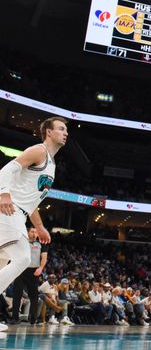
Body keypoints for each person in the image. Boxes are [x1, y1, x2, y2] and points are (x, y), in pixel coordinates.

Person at [0, 116, 65, 331]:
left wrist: (39, 226)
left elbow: (32, 202)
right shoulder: (39, 151)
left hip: (19, 212)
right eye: (61, 128)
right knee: (23, 257)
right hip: (8, 209)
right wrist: (4, 193)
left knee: (3, 263)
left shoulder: (52, 165)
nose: (66, 133)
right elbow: (6, 170)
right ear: (48, 131)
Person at [9, 227, 48, 325]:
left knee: (34, 296)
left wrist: (41, 268)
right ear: (27, 232)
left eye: (36, 232)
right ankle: (15, 318)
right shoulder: (22, 242)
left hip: (34, 271)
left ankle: (33, 319)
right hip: (21, 270)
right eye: (32, 231)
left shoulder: (41, 244)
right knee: (17, 294)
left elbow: (44, 257)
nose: (34, 233)